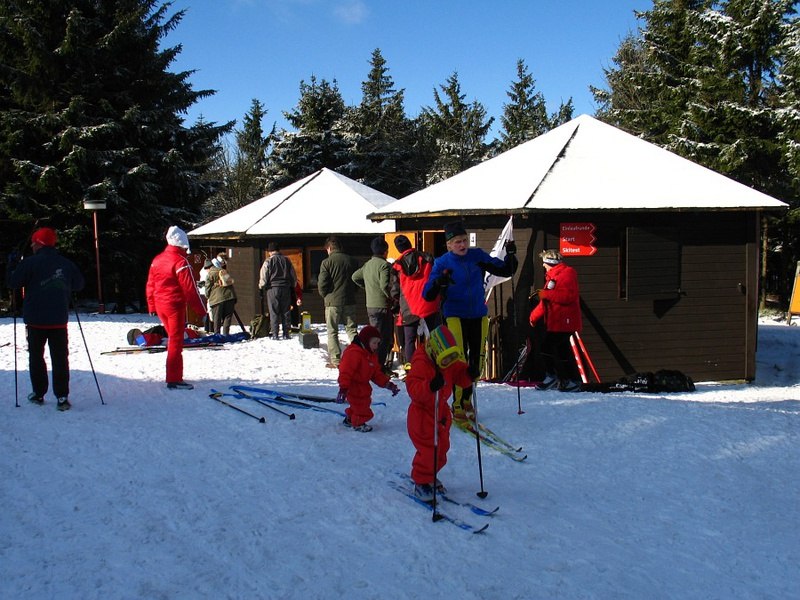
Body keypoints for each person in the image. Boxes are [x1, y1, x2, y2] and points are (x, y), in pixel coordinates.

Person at [422, 221, 517, 418]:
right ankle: (457, 403)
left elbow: (505, 270)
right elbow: (427, 294)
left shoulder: (477, 256)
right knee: (459, 360)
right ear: (449, 245)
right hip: (454, 315)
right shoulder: (442, 263)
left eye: (464, 240)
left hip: (478, 315)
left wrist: (511, 255)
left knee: (477, 361)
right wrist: (439, 282)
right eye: (457, 242)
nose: (462, 244)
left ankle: (467, 399)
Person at [8, 227, 85, 411]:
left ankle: (38, 393)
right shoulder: (65, 263)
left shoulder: (29, 263)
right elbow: (79, 285)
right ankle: (62, 396)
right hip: (59, 319)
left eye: (33, 243)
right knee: (60, 358)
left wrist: (11, 265)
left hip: (35, 320)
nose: (32, 246)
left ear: (39, 244)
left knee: (36, 357)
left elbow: (13, 283)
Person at [405, 325, 475, 501]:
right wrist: (429, 386)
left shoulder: (448, 362)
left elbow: (459, 373)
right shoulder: (421, 363)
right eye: (446, 359)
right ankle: (421, 481)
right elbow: (413, 388)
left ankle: (430, 475)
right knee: (429, 450)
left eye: (452, 358)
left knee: (442, 448)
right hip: (422, 416)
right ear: (434, 352)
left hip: (441, 413)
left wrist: (469, 374)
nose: (449, 363)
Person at [146, 226, 206, 390]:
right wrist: (201, 311)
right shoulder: (180, 262)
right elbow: (190, 290)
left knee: (173, 338)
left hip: (160, 305)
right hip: (174, 306)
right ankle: (174, 378)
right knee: (175, 341)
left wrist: (151, 304)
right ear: (182, 244)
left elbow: (151, 284)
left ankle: (173, 376)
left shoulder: (157, 259)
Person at [529, 249, 582, 392]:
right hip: (557, 321)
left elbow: (567, 297)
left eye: (544, 263)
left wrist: (546, 294)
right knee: (562, 351)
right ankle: (569, 380)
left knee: (546, 347)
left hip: (565, 321)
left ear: (550, 263)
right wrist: (534, 316)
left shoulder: (567, 273)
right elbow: (545, 302)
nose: (543, 266)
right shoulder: (553, 276)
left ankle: (554, 377)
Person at [336, 325, 400, 432]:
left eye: (378, 343)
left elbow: (376, 374)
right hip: (353, 386)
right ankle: (358, 423)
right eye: (374, 343)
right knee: (362, 407)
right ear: (366, 341)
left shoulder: (370, 355)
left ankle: (350, 419)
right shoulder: (354, 353)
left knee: (359, 405)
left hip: (363, 387)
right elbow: (345, 372)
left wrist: (388, 384)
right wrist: (343, 388)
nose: (376, 346)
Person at [391, 235, 442, 367]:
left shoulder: (397, 265)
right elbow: (438, 275)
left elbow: (395, 290)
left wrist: (395, 303)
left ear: (398, 249)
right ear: (410, 244)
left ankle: (412, 367)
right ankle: (439, 364)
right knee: (436, 336)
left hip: (409, 306)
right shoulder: (427, 257)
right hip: (429, 302)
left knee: (409, 340)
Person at [352, 237, 394, 371]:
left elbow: (355, 277)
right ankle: (378, 367)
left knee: (373, 337)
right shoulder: (384, 265)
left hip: (370, 305)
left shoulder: (367, 264)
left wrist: (368, 288)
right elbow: (384, 286)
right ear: (385, 251)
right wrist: (392, 298)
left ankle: (372, 364)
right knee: (383, 338)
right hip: (383, 305)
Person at [317, 236, 359, 368]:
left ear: (329, 248)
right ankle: (359, 357)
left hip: (332, 302)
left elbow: (322, 283)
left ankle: (336, 360)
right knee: (352, 330)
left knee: (332, 331)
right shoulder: (352, 261)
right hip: (349, 300)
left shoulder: (326, 262)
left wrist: (325, 295)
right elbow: (357, 280)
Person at [258, 242, 297, 339]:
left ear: (270, 251)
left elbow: (264, 276)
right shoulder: (286, 260)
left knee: (274, 311)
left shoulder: (268, 261)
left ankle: (275, 333)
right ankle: (286, 333)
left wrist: (261, 286)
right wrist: (293, 285)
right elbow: (293, 275)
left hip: (272, 288)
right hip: (285, 288)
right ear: (278, 250)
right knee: (286, 311)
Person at [205, 253, 237, 336]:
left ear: (209, 268)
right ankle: (226, 334)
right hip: (230, 296)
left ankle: (217, 335)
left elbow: (207, 288)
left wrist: (208, 296)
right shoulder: (224, 271)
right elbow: (230, 283)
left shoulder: (210, 274)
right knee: (227, 317)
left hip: (217, 299)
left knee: (217, 318)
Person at [198, 258, 213, 331]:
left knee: (207, 311)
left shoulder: (202, 270)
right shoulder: (208, 272)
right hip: (207, 293)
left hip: (203, 293)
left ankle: (207, 328)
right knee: (210, 311)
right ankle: (209, 328)